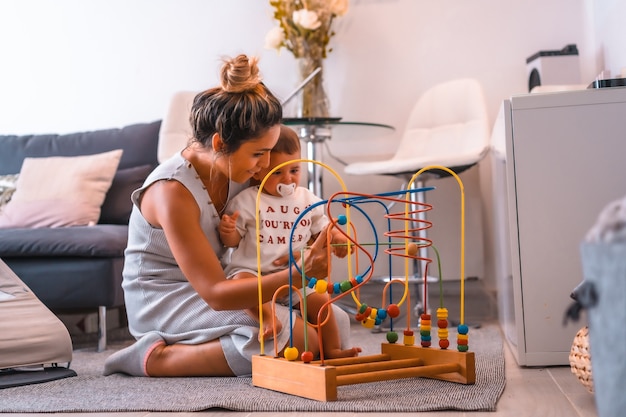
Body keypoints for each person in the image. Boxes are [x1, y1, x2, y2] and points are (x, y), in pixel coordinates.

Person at [103, 54, 351, 378]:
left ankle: (207, 343)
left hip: (227, 283)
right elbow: (217, 294)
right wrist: (297, 275)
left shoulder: (237, 165)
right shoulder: (172, 192)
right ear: (220, 143)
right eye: (259, 154)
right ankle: (152, 358)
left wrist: (322, 236)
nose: (266, 167)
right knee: (288, 337)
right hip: (168, 298)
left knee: (337, 323)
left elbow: (283, 212)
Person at [219, 125, 361, 359]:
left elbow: (324, 227)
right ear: (258, 172)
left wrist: (337, 239)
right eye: (277, 173)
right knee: (241, 282)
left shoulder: (307, 199)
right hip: (255, 274)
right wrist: (228, 231)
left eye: (294, 170)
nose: (288, 179)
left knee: (321, 300)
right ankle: (268, 319)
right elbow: (233, 242)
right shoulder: (247, 200)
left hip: (296, 276)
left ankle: (333, 349)